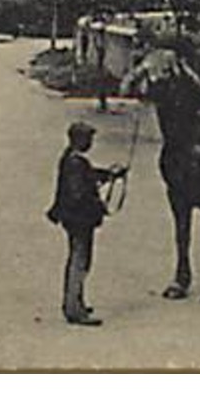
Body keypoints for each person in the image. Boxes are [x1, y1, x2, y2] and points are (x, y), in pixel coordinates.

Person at [45, 120, 126, 325]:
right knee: (80, 261)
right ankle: (74, 309)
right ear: (79, 140)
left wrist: (109, 175)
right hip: (79, 219)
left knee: (79, 259)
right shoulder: (75, 162)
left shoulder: (72, 158)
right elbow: (78, 194)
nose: (91, 143)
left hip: (73, 218)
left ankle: (76, 302)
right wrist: (99, 206)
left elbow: (89, 175)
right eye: (88, 139)